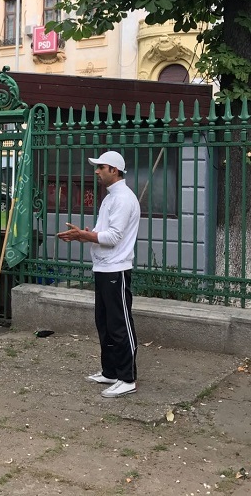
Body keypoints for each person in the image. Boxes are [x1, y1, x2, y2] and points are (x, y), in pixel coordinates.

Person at [57, 150, 141, 398]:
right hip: (103, 268)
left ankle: (127, 378)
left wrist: (85, 235)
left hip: (117, 269)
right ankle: (111, 372)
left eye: (100, 167)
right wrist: (82, 236)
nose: (96, 172)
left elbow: (114, 237)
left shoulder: (124, 199)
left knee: (119, 325)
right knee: (104, 323)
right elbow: (101, 232)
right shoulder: (110, 198)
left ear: (114, 170)